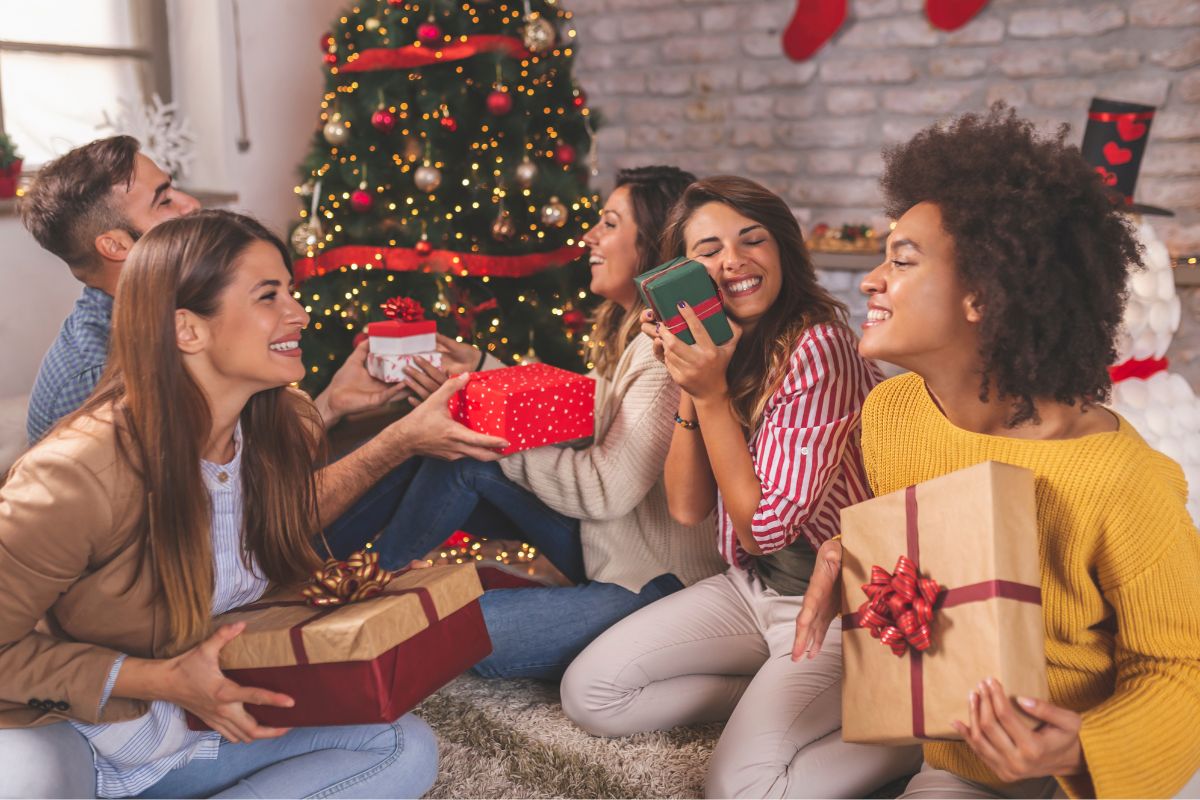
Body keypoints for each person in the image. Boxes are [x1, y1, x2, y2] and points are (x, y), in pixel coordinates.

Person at [791, 107, 1200, 799]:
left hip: (1049, 758)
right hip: (926, 713)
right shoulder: (889, 413)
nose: (869, 280)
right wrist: (852, 556)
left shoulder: (1123, 479)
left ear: (981, 294)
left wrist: (1080, 751)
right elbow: (922, 558)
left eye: (902, 258)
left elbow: (1181, 667)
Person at [0, 210, 452, 799]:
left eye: (292, 290)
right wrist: (158, 679)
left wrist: (367, 593)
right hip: (82, 734)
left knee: (402, 747)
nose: (300, 312)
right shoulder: (76, 473)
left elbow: (260, 537)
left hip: (191, 731)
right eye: (270, 295)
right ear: (187, 330)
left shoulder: (278, 423)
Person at [561, 176, 920, 798]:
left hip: (838, 607)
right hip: (754, 589)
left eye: (752, 240)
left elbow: (766, 525)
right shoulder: (712, 350)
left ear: (782, 250)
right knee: (591, 694)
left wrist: (711, 392)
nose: (732, 261)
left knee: (743, 790)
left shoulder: (822, 347)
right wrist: (690, 385)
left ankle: (911, 738)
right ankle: (778, 697)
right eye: (707, 251)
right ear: (684, 271)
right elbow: (687, 506)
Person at [330, 166, 727, 681]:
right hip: (609, 542)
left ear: (649, 245)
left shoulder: (665, 352)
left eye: (608, 223)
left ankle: (347, 581)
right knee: (454, 457)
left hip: (654, 580)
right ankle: (341, 577)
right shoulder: (629, 334)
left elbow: (606, 489)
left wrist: (478, 418)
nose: (590, 236)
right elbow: (585, 412)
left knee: (452, 632)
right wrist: (478, 370)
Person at [20, 135, 402, 444]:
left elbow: (237, 476)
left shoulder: (177, 306)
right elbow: (211, 519)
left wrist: (330, 405)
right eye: (165, 201)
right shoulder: (95, 381)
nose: (192, 205)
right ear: (116, 246)